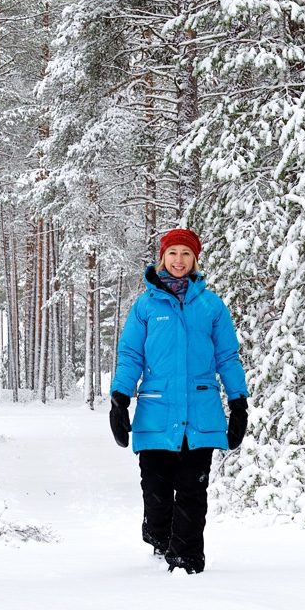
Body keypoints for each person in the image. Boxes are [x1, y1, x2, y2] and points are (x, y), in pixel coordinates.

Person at [108, 228, 249, 575]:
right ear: (163, 258)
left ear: (195, 259)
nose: (179, 261)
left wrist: (239, 402)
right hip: (155, 413)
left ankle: (186, 560)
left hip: (201, 414)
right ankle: (159, 537)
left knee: (191, 491)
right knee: (156, 492)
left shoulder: (211, 306)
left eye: (186, 254)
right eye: (173, 253)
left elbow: (228, 357)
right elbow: (130, 355)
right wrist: (119, 399)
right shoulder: (145, 306)